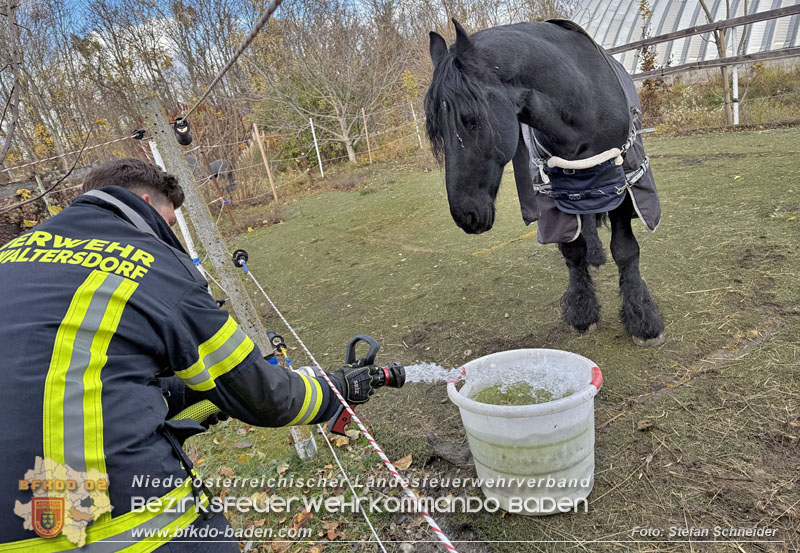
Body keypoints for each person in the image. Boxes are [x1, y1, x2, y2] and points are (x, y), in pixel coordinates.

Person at [0, 158, 377, 551]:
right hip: (128, 528)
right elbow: (261, 395)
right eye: (169, 222)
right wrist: (337, 388)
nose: (168, 235)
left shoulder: (14, 254)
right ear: (146, 202)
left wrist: (187, 394)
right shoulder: (148, 261)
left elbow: (72, 376)